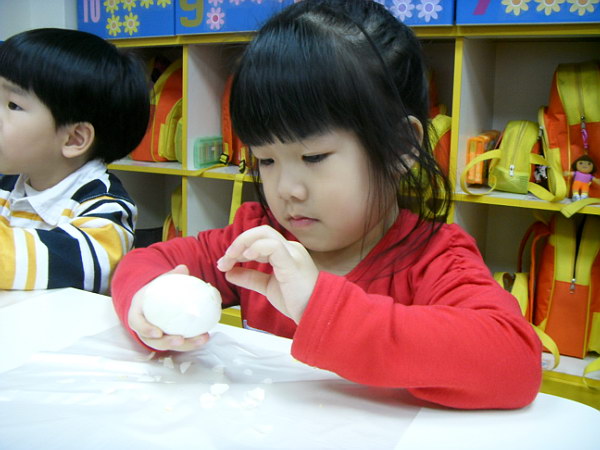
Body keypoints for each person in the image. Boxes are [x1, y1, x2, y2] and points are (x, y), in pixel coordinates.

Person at [111, 0, 542, 409]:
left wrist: (321, 308)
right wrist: (146, 302)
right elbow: (147, 262)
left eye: (314, 157)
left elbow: (514, 363)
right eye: (266, 160)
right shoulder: (259, 240)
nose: (287, 190)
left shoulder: (436, 259)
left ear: (400, 147)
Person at [0, 28, 150, 294]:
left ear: (73, 139)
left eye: (13, 105)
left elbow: (86, 267)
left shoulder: (105, 205)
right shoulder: (9, 182)